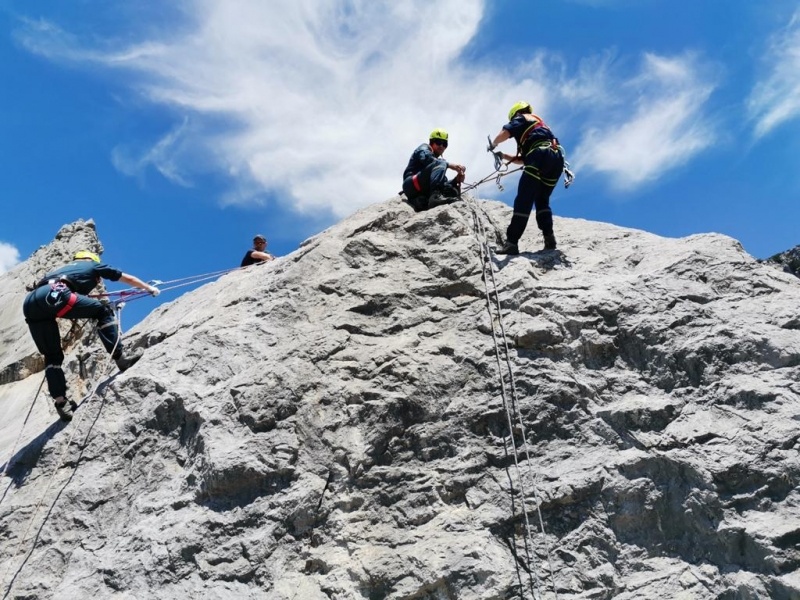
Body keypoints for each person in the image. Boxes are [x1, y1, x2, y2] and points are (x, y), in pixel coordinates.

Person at [23, 251, 160, 422]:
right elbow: (127, 279)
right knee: (102, 310)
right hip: (57, 293)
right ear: (92, 259)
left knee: (52, 355)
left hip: (31, 303)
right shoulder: (93, 265)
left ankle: (61, 402)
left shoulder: (62, 269)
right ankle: (121, 357)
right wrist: (148, 288)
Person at [488, 101, 565, 254]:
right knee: (542, 200)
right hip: (555, 159)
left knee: (524, 198)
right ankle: (549, 238)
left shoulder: (522, 118)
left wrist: (494, 144)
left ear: (516, 113)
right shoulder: (540, 126)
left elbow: (506, 132)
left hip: (539, 155)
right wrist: (503, 156)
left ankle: (511, 243)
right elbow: (524, 159)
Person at [402, 128, 466, 211]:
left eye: (444, 144)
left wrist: (456, 180)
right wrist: (449, 165)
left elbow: (442, 182)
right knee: (441, 162)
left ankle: (423, 201)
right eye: (438, 142)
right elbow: (427, 158)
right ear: (431, 142)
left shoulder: (436, 168)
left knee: (452, 190)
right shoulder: (423, 148)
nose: (441, 146)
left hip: (420, 190)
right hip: (411, 184)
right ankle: (435, 198)